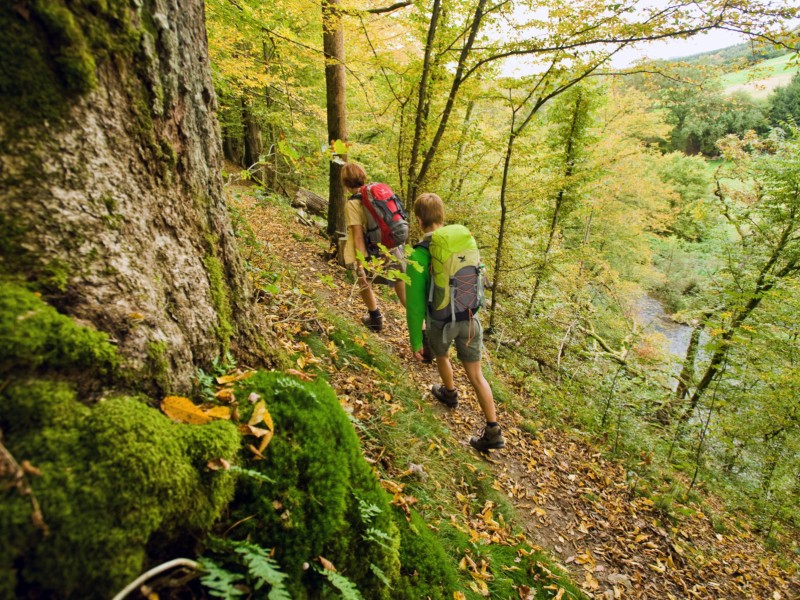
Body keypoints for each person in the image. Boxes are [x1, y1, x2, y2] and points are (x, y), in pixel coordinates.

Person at [405, 193, 504, 452]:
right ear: (442, 216)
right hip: (471, 318)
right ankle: (493, 430)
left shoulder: (420, 255)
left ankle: (449, 393)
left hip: (441, 322)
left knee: (442, 355)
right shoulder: (463, 243)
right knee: (476, 375)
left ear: (418, 220)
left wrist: (416, 339)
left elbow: (415, 305)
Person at [341, 162, 406, 332]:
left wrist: (360, 264)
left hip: (372, 250)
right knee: (400, 282)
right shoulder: (374, 194)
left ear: (345, 183)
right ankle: (423, 330)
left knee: (364, 281)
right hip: (391, 246)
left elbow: (357, 235)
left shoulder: (353, 204)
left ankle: (375, 318)